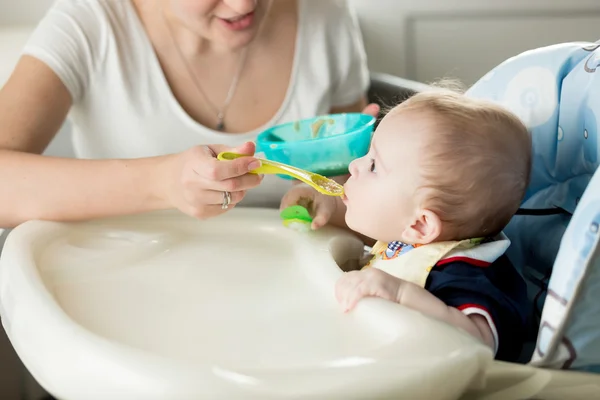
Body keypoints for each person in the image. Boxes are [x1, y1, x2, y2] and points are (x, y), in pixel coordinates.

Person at [0, 0, 379, 228]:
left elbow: (345, 173)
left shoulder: (325, 14)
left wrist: (334, 199)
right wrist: (161, 182)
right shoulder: (90, 23)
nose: (245, 4)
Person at [280, 89, 532, 362]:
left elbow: (480, 343)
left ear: (421, 225)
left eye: (374, 165)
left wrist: (399, 293)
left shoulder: (467, 274)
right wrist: (327, 204)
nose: (354, 165)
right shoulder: (408, 240)